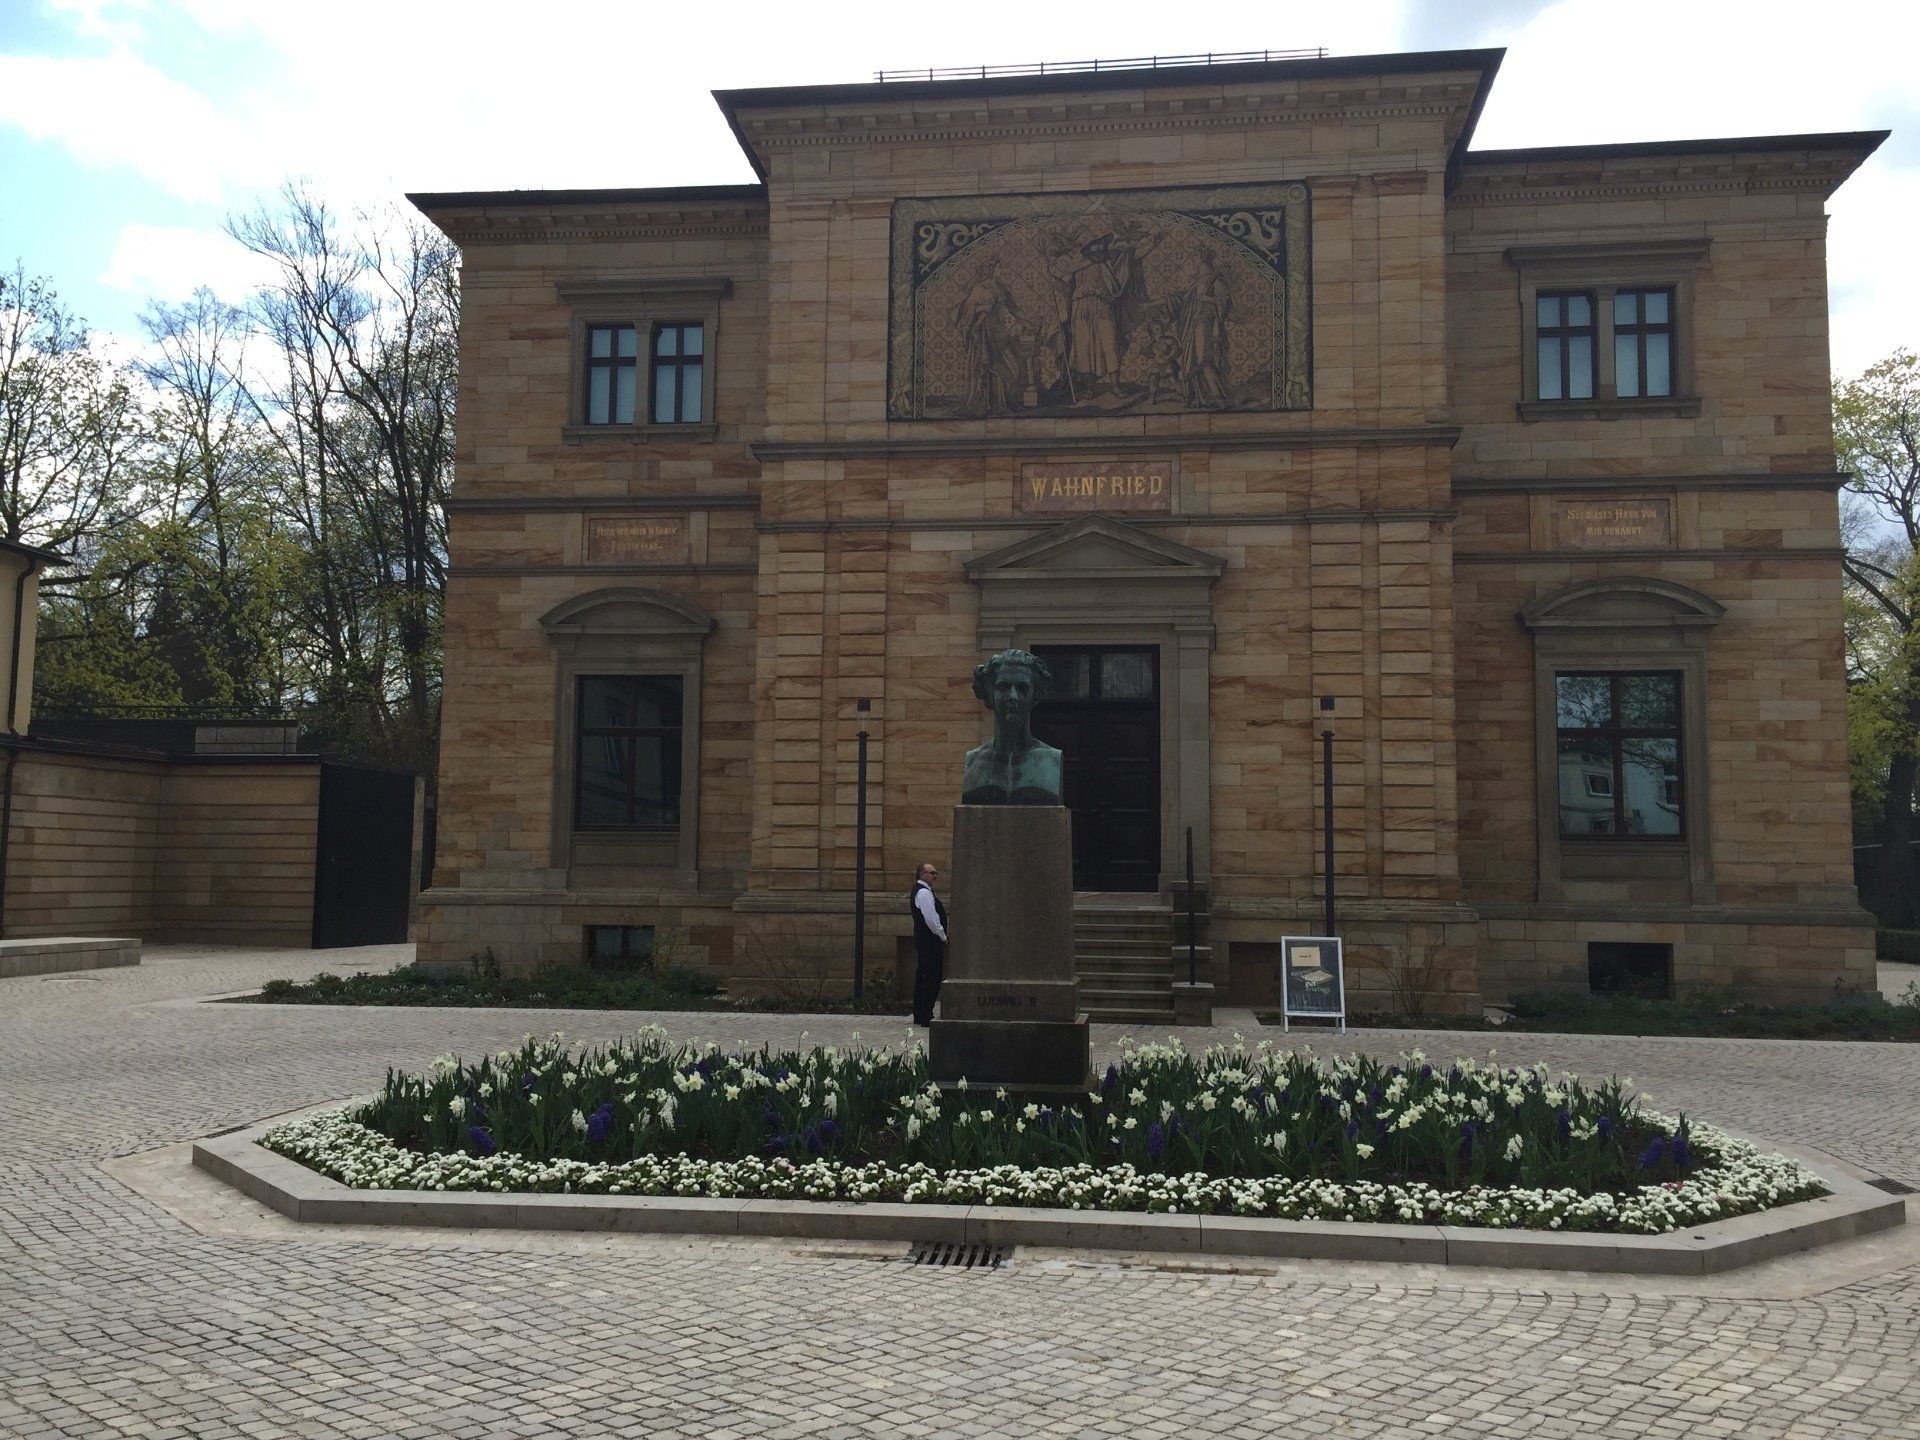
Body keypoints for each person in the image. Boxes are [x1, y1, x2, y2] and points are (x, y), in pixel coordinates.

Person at [910, 861, 948, 1026]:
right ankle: (925, 1014)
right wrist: (942, 936)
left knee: (923, 976)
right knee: (930, 978)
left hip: (925, 941)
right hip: (930, 942)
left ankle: (920, 1013)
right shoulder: (924, 893)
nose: (935, 876)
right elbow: (931, 919)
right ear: (922, 874)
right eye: (932, 873)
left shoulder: (922, 891)